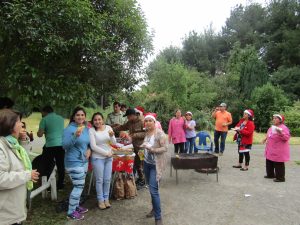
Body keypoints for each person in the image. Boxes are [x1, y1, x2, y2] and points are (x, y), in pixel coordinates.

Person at [0, 109, 39, 225]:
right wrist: (27, 175)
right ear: (10, 125)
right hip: (5, 215)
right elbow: (1, 178)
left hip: (13, 210)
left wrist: (24, 141)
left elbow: (22, 160)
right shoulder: (2, 146)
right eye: (18, 121)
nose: (22, 124)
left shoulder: (12, 143)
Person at [63, 106, 91, 220]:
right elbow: (64, 146)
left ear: (85, 117)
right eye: (78, 115)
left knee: (80, 185)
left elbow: (88, 143)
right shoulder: (69, 129)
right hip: (73, 162)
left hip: (84, 161)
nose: (80, 117)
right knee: (78, 186)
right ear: (73, 117)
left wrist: (89, 149)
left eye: (82, 115)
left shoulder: (86, 128)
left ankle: (76, 206)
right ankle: (71, 212)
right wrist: (75, 136)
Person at [141, 114, 167, 225]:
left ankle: (158, 217)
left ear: (154, 122)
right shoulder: (146, 133)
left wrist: (151, 149)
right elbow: (145, 144)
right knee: (151, 189)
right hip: (147, 164)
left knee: (153, 190)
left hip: (156, 165)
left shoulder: (160, 134)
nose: (147, 123)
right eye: (146, 121)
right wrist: (143, 149)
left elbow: (165, 148)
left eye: (150, 121)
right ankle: (154, 209)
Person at [89, 112, 116, 210]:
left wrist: (112, 136)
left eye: (99, 119)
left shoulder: (108, 128)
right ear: (93, 121)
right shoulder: (91, 130)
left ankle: (106, 199)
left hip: (109, 158)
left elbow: (114, 143)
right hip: (98, 158)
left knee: (107, 179)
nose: (97, 121)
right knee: (99, 180)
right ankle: (100, 200)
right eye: (95, 120)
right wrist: (106, 153)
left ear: (103, 120)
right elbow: (93, 146)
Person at [115, 108, 146, 187]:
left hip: (142, 147)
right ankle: (139, 178)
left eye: (128, 116)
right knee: (136, 163)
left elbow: (146, 134)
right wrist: (111, 129)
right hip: (133, 146)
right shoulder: (130, 122)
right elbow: (122, 127)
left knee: (141, 163)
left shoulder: (142, 121)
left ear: (132, 115)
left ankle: (143, 180)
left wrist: (134, 135)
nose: (127, 118)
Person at [37, 105, 65, 190]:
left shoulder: (44, 119)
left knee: (46, 164)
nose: (42, 114)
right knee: (61, 165)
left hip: (50, 146)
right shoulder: (61, 118)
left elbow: (40, 134)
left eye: (42, 112)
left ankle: (47, 186)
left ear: (45, 112)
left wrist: (41, 132)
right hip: (61, 145)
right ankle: (60, 185)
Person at [263, 114, 290, 182]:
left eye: (276, 118)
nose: (274, 119)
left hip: (279, 149)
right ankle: (270, 174)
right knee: (269, 161)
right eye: (273, 118)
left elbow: (287, 138)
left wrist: (281, 133)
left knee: (278, 163)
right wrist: (265, 138)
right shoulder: (272, 127)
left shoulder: (283, 128)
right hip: (270, 147)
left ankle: (280, 178)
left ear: (280, 120)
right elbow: (269, 134)